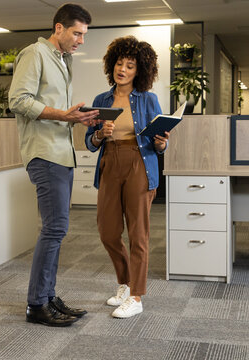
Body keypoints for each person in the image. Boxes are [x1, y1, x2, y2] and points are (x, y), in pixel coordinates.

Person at [9, 3, 99, 327]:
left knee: (57, 230)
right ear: (58, 28)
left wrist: (80, 118)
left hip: (61, 153)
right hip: (44, 154)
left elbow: (58, 111)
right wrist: (65, 115)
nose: (80, 40)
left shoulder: (63, 59)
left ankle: (47, 296)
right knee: (54, 228)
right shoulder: (35, 54)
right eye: (77, 33)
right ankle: (37, 304)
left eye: (84, 35)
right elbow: (18, 100)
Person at [85, 36, 169, 318]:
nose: (123, 69)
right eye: (119, 63)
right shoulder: (101, 100)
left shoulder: (148, 99)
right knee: (107, 231)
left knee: (138, 234)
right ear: (112, 65)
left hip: (139, 163)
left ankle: (136, 295)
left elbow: (160, 143)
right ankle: (124, 281)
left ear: (139, 70)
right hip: (110, 163)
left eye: (130, 65)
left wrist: (162, 143)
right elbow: (89, 141)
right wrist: (99, 134)